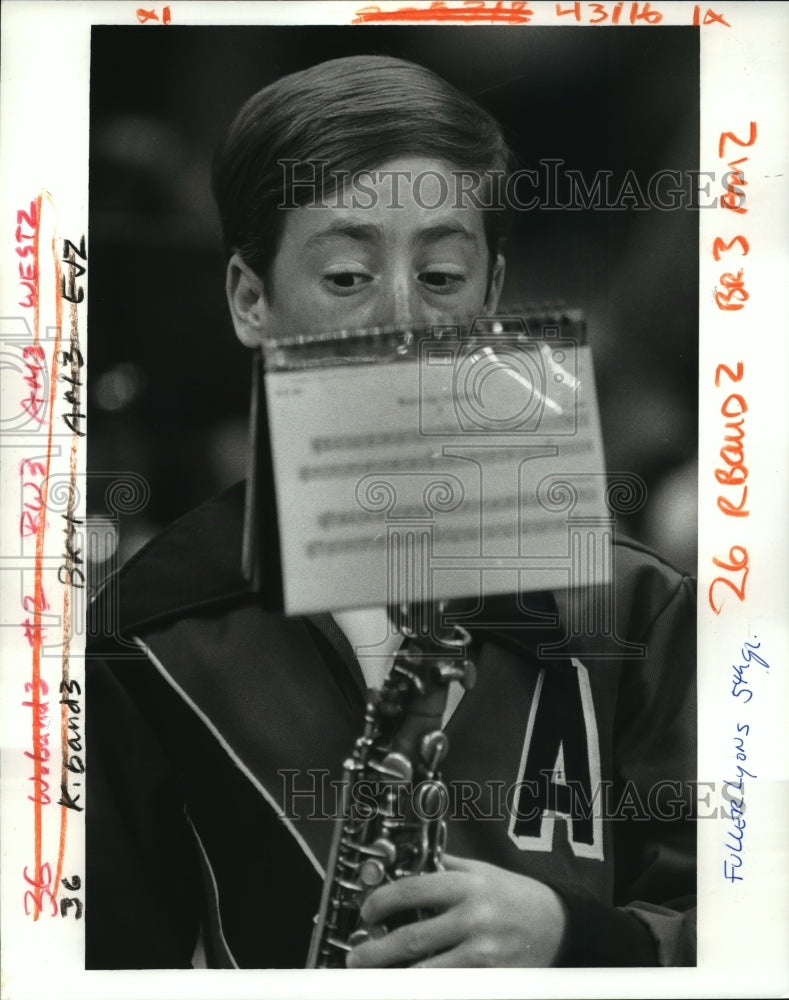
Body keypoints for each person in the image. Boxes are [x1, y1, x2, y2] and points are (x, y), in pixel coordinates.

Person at [86, 55, 696, 969]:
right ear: (250, 300)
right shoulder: (144, 643)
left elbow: (739, 921)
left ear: (492, 295)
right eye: (344, 277)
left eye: (443, 275)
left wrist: (581, 940)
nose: (401, 319)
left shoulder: (639, 606)